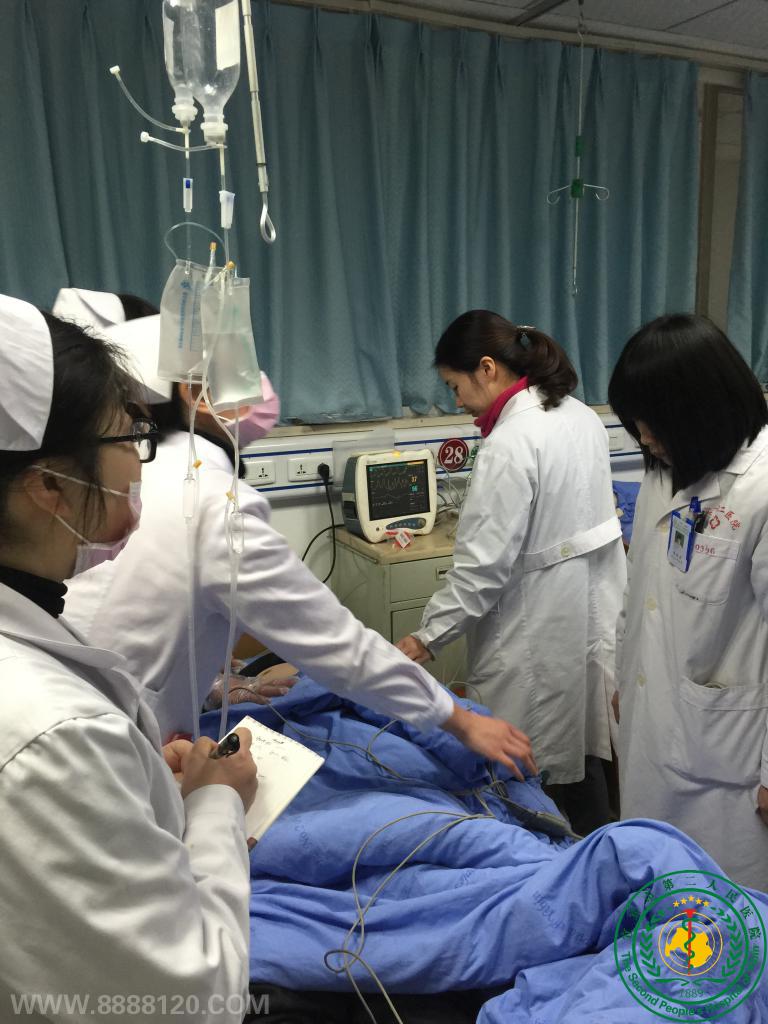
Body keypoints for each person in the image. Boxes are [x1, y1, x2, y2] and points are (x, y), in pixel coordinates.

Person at [61, 307, 537, 780]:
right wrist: (458, 720)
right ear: (195, 394)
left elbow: (142, 617)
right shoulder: (210, 500)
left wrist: (216, 680)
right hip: (114, 750)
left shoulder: (147, 473)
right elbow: (336, 645)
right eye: (244, 372)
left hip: (98, 726)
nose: (261, 388)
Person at [0, 296, 258, 1020]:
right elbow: (195, 999)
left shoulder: (36, 630)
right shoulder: (51, 735)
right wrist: (213, 804)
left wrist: (142, 783)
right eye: (130, 438)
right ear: (51, 484)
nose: (141, 465)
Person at [397, 310, 626, 834]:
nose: (456, 401)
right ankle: (594, 849)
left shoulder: (510, 442)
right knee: (583, 753)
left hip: (537, 628)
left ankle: (545, 860)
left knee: (532, 765)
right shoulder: (580, 416)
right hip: (590, 614)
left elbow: (480, 570)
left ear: (487, 368)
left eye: (454, 386)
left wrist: (424, 638)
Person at [608, 313, 768, 889]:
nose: (644, 439)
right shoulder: (666, 469)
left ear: (697, 410)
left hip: (728, 757)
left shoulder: (761, 489)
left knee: (724, 905)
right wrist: (624, 672)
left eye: (651, 424)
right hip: (654, 718)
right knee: (656, 885)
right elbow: (641, 584)